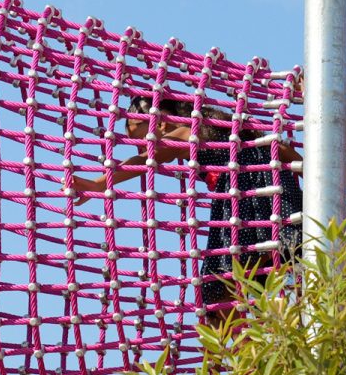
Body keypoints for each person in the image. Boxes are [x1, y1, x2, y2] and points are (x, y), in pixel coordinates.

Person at [71, 94, 300, 337]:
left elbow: (143, 160)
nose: (143, 146)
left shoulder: (185, 134)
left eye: (142, 139)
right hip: (277, 193)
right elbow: (280, 148)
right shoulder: (224, 130)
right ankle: (278, 335)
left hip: (243, 199)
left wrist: (97, 184)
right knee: (273, 268)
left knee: (219, 288)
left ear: (160, 124)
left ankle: (253, 356)